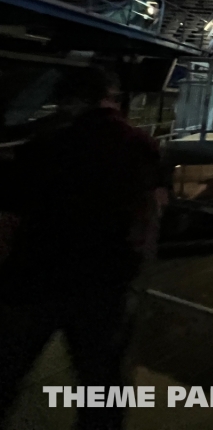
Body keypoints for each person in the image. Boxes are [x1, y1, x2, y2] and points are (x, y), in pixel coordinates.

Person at [0, 66, 167, 430]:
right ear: (111, 95)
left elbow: (9, 218)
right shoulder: (140, 145)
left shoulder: (41, 145)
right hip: (105, 280)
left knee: (7, 372)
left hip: (33, 276)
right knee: (102, 383)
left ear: (68, 101)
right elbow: (151, 215)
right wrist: (140, 272)